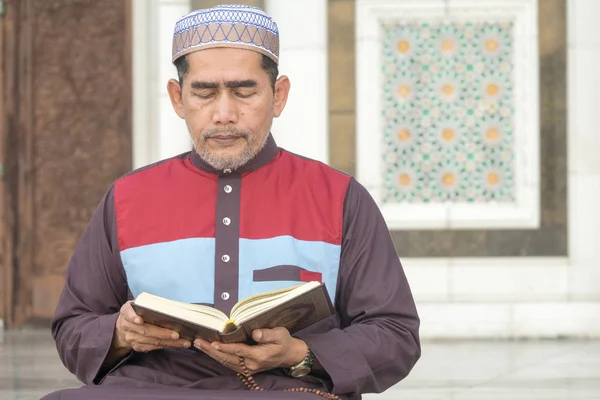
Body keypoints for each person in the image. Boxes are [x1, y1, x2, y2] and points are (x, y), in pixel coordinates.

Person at [43, 4, 421, 400]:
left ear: (278, 95)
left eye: (244, 92)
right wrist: (120, 334)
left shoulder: (338, 196)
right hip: (149, 389)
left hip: (287, 390)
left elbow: (395, 334)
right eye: (204, 93)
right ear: (177, 98)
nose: (224, 114)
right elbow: (73, 327)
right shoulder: (127, 197)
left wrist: (301, 354)